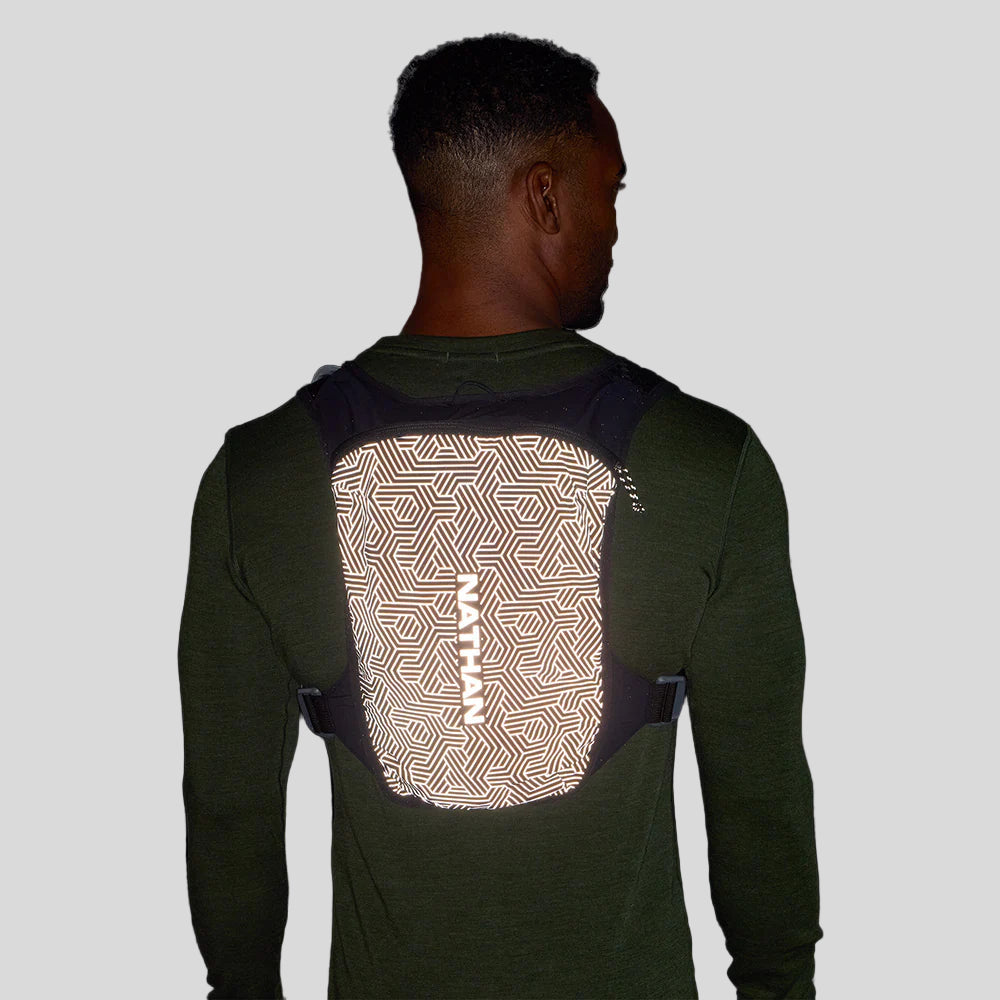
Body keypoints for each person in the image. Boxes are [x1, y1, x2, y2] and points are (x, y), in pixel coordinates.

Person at [178, 31, 823, 1000]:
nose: (617, 226)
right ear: (545, 198)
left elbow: (229, 817)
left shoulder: (258, 479)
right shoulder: (705, 463)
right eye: (610, 189)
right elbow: (759, 804)